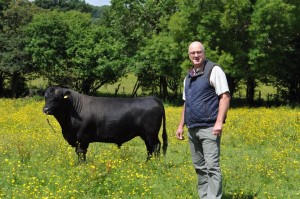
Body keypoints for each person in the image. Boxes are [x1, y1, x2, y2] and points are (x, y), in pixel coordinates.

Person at [176, 41, 230, 199]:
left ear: (204, 53)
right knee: (199, 167)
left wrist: (219, 122)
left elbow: (225, 97)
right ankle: (204, 196)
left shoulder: (214, 70)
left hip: (209, 127)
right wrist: (181, 125)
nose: (196, 55)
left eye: (199, 52)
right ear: (189, 55)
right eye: (193, 53)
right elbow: (187, 103)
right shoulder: (188, 77)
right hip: (192, 128)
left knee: (212, 166)